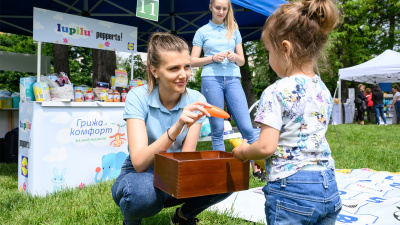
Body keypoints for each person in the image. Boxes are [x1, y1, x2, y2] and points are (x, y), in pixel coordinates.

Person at [232, 0, 342, 224]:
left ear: (285, 48)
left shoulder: (276, 91)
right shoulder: (322, 89)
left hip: (291, 189)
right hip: (328, 184)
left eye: (268, 51)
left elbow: (265, 147)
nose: (269, 57)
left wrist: (244, 152)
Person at [111, 33, 231, 225]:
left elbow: (186, 158)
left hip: (176, 169)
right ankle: (131, 222)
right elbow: (140, 162)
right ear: (155, 70)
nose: (183, 75)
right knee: (140, 194)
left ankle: (183, 217)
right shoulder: (137, 97)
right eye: (174, 68)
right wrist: (176, 127)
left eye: (187, 67)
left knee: (226, 176)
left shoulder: (195, 99)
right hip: (141, 173)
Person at [190, 0, 265, 181]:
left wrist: (234, 57)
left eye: (225, 8)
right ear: (210, 7)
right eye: (218, 8)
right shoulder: (202, 32)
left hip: (233, 79)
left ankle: (261, 167)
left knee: (247, 127)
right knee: (217, 128)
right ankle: (220, 172)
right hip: (211, 79)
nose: (221, 11)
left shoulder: (234, 29)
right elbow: (192, 61)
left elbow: (242, 61)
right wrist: (212, 58)